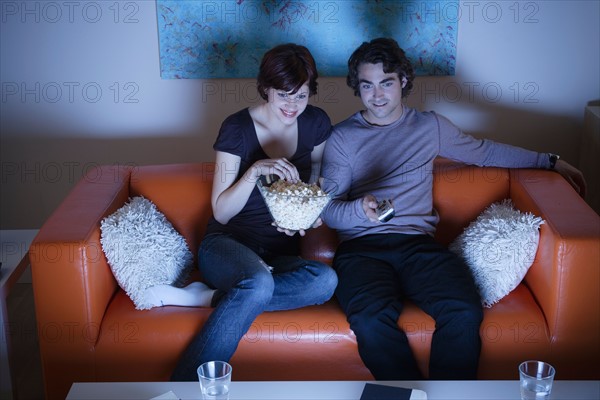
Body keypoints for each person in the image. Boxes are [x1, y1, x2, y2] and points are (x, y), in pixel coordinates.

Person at [320, 37, 586, 380]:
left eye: (386, 83)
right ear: (358, 88)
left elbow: (486, 152)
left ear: (402, 82)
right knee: (371, 320)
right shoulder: (343, 137)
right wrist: (360, 210)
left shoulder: (430, 127)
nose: (377, 95)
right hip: (361, 250)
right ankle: (409, 394)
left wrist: (549, 161)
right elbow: (327, 210)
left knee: (462, 310)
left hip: (417, 245)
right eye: (367, 85)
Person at [169, 43, 338, 381]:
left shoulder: (317, 123)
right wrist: (255, 170)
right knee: (258, 283)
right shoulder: (237, 129)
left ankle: (220, 297)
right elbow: (222, 211)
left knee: (325, 281)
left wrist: (308, 214)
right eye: (283, 94)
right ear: (266, 88)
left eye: (301, 96)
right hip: (227, 245)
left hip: (277, 252)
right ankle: (184, 387)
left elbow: (318, 178)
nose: (292, 105)